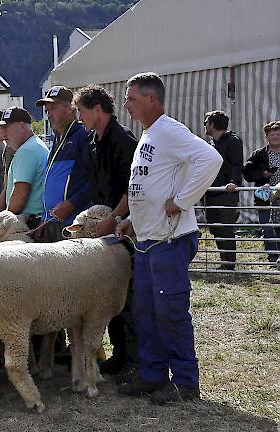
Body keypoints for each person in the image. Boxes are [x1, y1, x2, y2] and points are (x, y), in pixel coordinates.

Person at [116, 72, 222, 404]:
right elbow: (153, 184)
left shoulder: (169, 130)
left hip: (171, 240)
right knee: (146, 311)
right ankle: (153, 375)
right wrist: (133, 218)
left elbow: (211, 158)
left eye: (132, 98)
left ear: (152, 99)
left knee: (170, 311)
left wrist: (183, 200)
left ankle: (186, 382)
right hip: (149, 240)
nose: (126, 104)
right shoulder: (149, 135)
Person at [74, 85, 139, 379]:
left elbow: (132, 188)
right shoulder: (94, 140)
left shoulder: (123, 140)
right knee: (106, 293)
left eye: (82, 111)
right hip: (103, 227)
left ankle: (133, 358)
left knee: (126, 293)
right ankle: (118, 352)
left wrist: (114, 217)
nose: (80, 117)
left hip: (123, 228)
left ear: (97, 109)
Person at [35, 86, 92, 241]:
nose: (48, 114)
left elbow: (95, 180)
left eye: (53, 108)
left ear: (70, 108)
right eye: (47, 110)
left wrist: (72, 204)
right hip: (52, 222)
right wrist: (45, 217)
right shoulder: (58, 138)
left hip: (72, 223)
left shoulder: (82, 135)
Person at [0, 106, 48, 228]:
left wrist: (2, 224)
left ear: (22, 126)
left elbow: (20, 194)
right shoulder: (34, 146)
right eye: (1, 128)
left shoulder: (27, 151)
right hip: (34, 220)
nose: (3, 133)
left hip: (28, 222)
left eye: (6, 127)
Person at [203, 110, 243, 270]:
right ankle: (223, 260)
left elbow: (236, 164)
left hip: (226, 193)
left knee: (227, 228)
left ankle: (229, 263)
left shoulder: (233, 141)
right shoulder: (211, 143)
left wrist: (233, 182)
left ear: (212, 124)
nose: (205, 125)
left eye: (206, 122)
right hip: (211, 192)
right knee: (215, 228)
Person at [243, 120, 280, 263]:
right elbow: (246, 173)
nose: (275, 137)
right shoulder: (258, 154)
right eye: (272, 134)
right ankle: (272, 257)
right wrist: (261, 174)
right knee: (267, 226)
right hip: (263, 194)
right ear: (267, 136)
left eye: (278, 134)